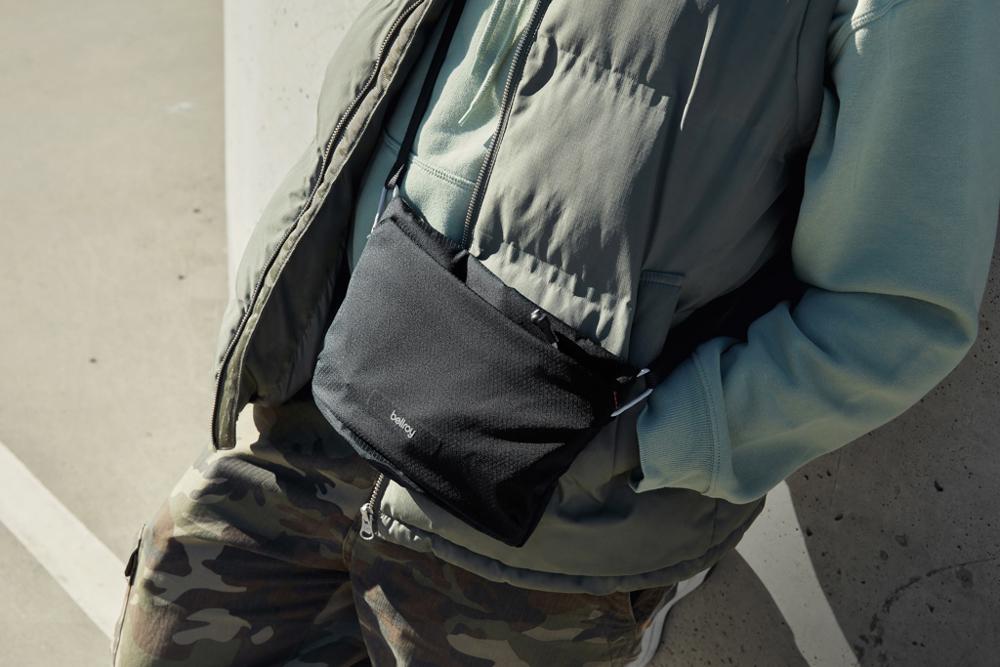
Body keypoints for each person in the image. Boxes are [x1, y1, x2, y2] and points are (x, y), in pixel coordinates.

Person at [113, 1, 1000, 665]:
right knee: (169, 604)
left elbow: (897, 308)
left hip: (542, 542)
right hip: (328, 416)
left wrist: (644, 443)